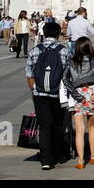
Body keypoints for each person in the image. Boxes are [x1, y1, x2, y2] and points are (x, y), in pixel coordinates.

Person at [25, 21, 73, 171]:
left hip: (40, 94)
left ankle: (46, 159)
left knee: (44, 126)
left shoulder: (34, 51)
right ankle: (59, 154)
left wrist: (34, 90)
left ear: (44, 33)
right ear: (58, 34)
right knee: (58, 125)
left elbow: (29, 75)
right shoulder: (64, 51)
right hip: (58, 94)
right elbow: (69, 74)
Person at [65, 36, 94, 168]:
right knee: (92, 126)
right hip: (91, 92)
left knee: (79, 129)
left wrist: (76, 95)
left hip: (78, 93)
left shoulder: (71, 61)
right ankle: (93, 156)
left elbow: (65, 79)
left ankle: (81, 161)